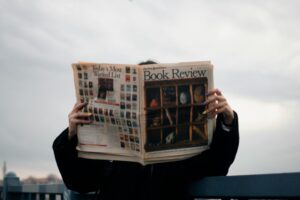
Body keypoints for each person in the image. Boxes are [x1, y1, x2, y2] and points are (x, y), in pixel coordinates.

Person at [53, 60, 239, 200]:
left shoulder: (181, 149)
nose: (149, 108)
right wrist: (71, 134)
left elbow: (216, 165)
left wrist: (228, 121)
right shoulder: (111, 152)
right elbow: (79, 181)